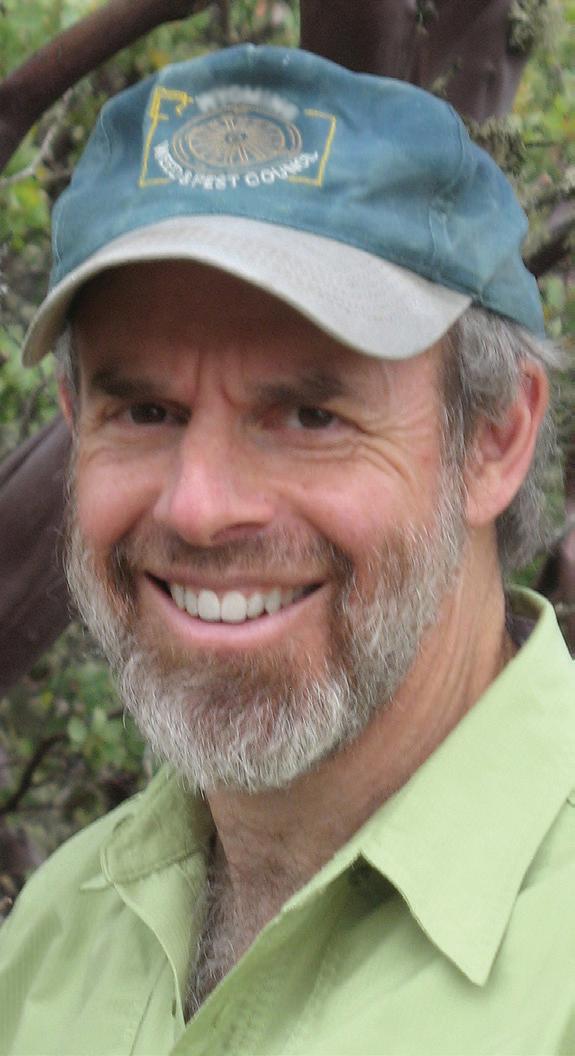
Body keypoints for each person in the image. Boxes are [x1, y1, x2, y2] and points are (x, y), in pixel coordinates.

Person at [1, 42, 573, 1056]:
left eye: (309, 416)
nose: (199, 506)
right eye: (145, 411)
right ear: (74, 423)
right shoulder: (55, 938)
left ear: (493, 436)